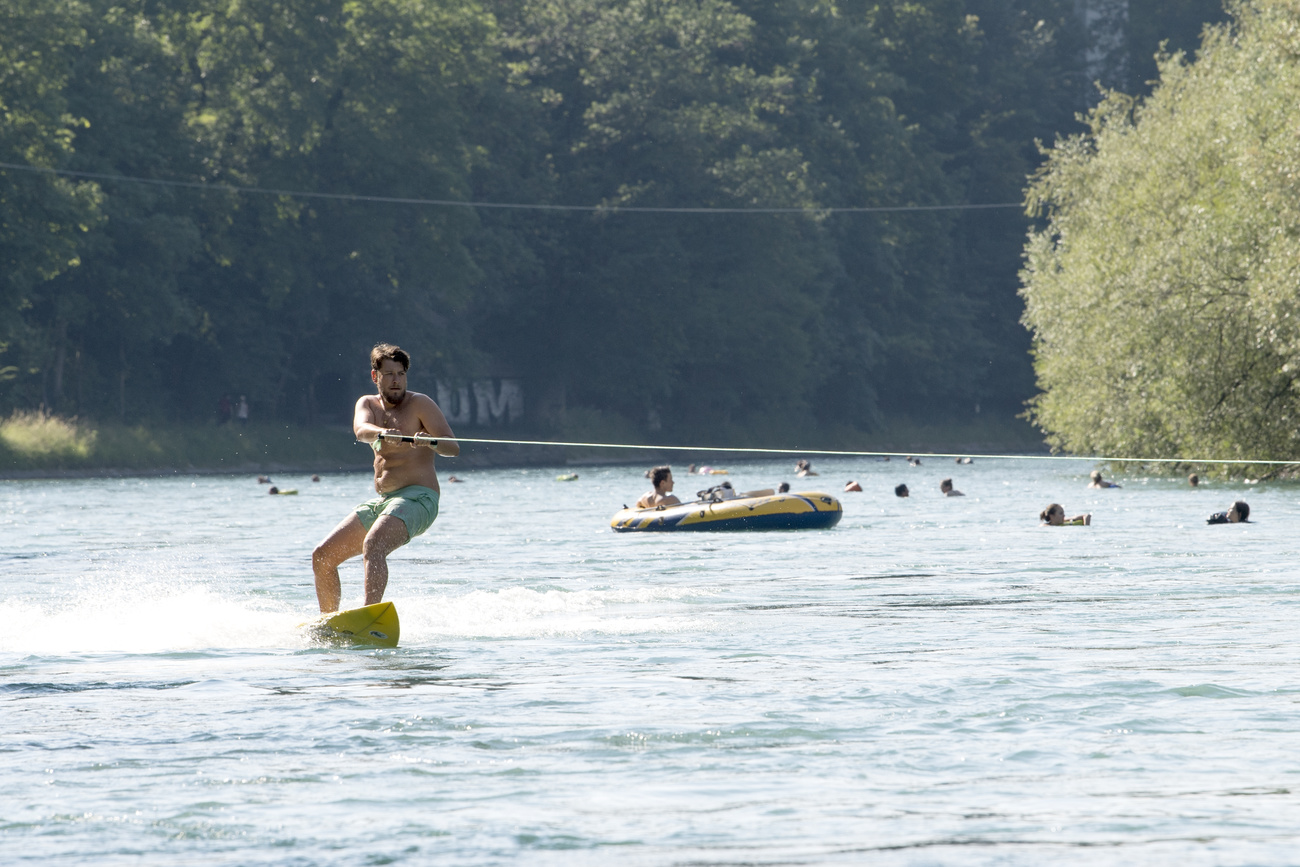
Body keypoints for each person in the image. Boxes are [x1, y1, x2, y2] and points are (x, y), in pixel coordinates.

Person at [310, 343, 459, 614]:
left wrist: (432, 442)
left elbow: (453, 447)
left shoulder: (420, 404)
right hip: (385, 501)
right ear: (375, 376)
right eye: (389, 374)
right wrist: (381, 433)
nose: (395, 381)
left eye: (401, 374)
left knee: (374, 544)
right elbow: (361, 430)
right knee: (322, 556)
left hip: (420, 498)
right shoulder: (367, 404)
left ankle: (370, 615)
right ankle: (330, 622)